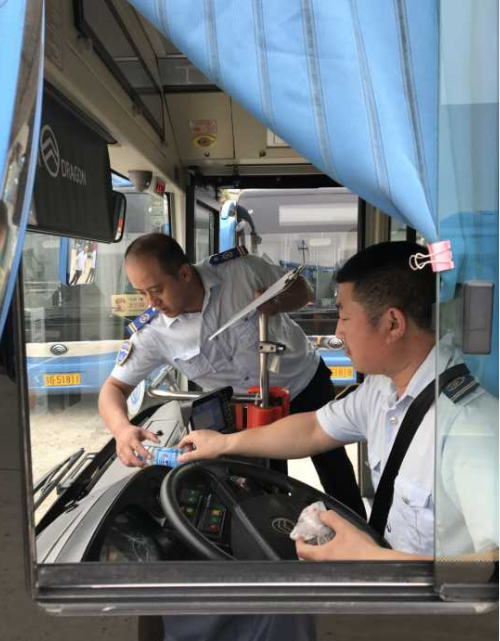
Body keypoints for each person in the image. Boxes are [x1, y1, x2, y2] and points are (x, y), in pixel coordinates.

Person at [179, 240, 499, 562]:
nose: (338, 331)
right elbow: (314, 429)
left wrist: (370, 557)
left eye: (344, 317)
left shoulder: (468, 426)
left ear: (392, 324)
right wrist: (223, 444)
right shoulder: (381, 388)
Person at [99, 232, 365, 518]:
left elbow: (302, 291)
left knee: (335, 470)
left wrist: (277, 304)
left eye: (157, 289)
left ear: (185, 274)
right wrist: (122, 430)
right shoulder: (153, 333)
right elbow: (113, 389)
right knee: (266, 490)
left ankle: (363, 536)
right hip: (249, 413)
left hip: (303, 382)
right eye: (141, 293)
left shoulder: (242, 271)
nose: (151, 302)